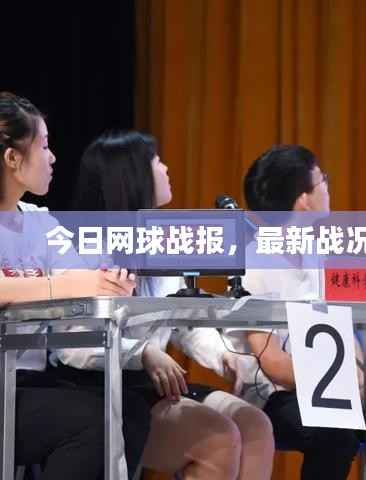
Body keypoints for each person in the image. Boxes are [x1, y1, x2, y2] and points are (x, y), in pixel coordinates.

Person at [56, 130, 275, 480]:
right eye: (157, 161)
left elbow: (183, 323)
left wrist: (223, 355)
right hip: (98, 388)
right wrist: (142, 352)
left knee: (255, 425)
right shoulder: (80, 250)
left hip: (150, 386)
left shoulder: (158, 242)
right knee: (219, 438)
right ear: (134, 176)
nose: (167, 168)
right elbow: (72, 344)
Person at [220, 145, 366, 480]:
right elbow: (274, 365)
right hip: (277, 395)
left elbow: (341, 333)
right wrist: (351, 388)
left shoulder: (315, 252)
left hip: (334, 389)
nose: (328, 186)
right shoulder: (255, 264)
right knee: (336, 438)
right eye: (322, 180)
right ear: (303, 199)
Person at [0, 91, 138, 479]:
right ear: (12, 158)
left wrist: (108, 282)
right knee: (93, 423)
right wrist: (67, 283)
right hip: (8, 388)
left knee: (127, 412)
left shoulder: (39, 220)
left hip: (28, 381)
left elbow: (79, 279)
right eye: (43, 146)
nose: (53, 157)